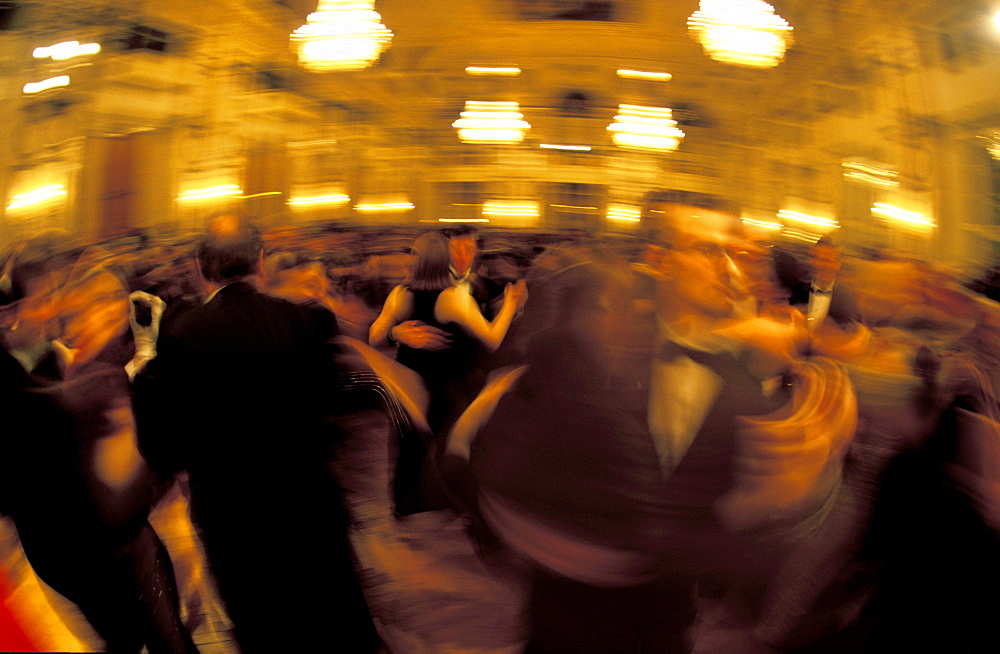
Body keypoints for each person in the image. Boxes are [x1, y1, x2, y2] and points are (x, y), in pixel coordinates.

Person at [134, 213, 378, 653]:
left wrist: (148, 359)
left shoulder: (182, 336)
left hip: (236, 520)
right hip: (311, 505)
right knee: (335, 625)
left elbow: (163, 448)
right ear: (260, 261)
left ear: (199, 267)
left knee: (264, 629)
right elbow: (333, 404)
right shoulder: (305, 321)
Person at [0, 238, 196, 654]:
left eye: (54, 294)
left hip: (123, 537)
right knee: (125, 635)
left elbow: (148, 451)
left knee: (162, 640)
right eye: (42, 298)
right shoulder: (35, 375)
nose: (51, 307)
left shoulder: (63, 361)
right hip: (66, 551)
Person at [368, 231, 527, 433]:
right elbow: (492, 338)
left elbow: (374, 338)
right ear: (446, 260)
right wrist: (511, 304)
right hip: (446, 392)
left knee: (409, 451)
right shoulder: (453, 299)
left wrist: (394, 334)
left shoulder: (399, 295)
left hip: (409, 393)